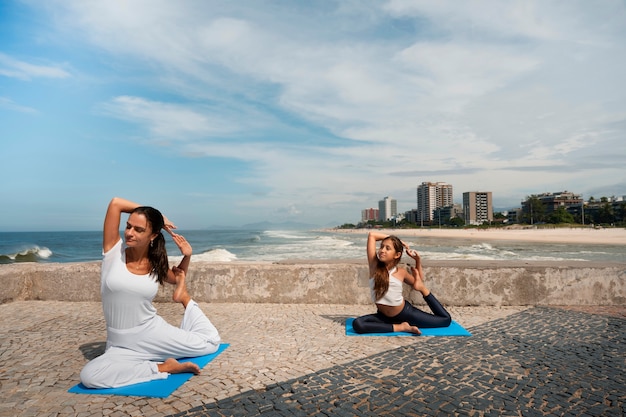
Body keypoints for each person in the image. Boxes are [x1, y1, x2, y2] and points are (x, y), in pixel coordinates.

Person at [80, 197, 221, 389]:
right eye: (128, 226)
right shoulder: (113, 250)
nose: (129, 233)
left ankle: (185, 299)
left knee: (210, 343)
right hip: (120, 343)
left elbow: (177, 277)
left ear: (153, 235)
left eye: (139, 230)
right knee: (90, 377)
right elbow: (115, 204)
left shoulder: (156, 264)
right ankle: (163, 367)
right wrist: (159, 215)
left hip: (152, 332)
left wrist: (187, 255)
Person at [352, 231, 451, 335]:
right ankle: (401, 327)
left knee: (445, 320)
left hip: (406, 314)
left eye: (387, 248)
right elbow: (372, 235)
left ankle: (422, 292)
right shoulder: (374, 266)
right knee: (358, 324)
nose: (382, 250)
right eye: (381, 247)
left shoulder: (401, 272)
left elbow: (418, 281)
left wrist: (418, 260)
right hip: (383, 317)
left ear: (397, 254)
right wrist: (400, 241)